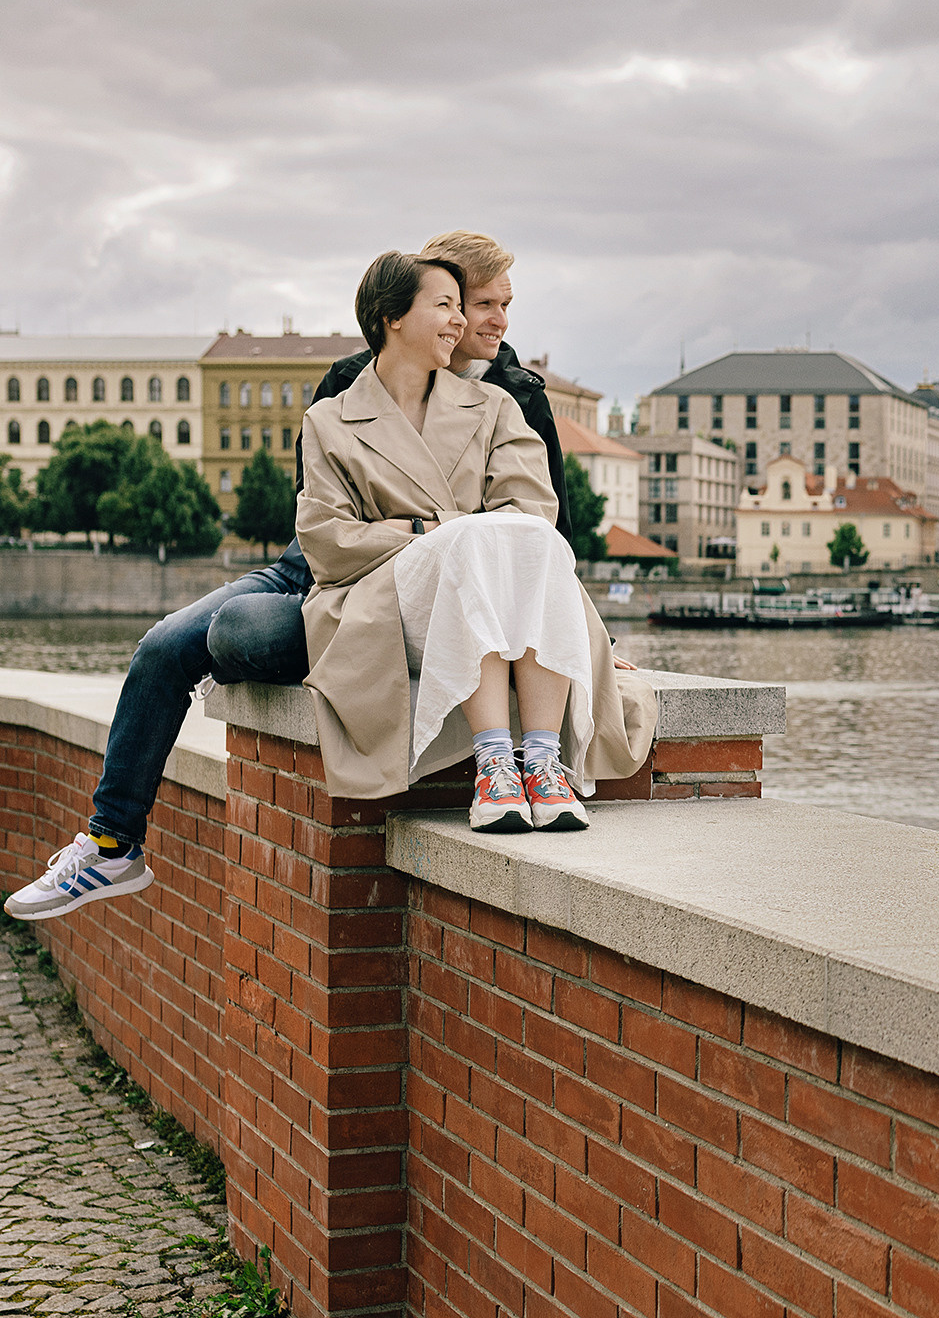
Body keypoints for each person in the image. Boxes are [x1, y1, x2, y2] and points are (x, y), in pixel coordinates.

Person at [5, 232, 576, 921]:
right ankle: (111, 844)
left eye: (498, 305)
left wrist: (574, 629)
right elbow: (321, 514)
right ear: (405, 313)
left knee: (238, 632)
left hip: (418, 591)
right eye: (473, 303)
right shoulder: (347, 380)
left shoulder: (517, 397)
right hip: (313, 568)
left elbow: (542, 538)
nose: (489, 321)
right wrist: (410, 534)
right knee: (164, 645)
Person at [295, 251, 656, 828]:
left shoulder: (495, 407)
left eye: (463, 308)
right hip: (386, 606)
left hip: (494, 595)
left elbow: (533, 515)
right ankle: (494, 763)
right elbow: (326, 539)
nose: (461, 321)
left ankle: (539, 762)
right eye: (445, 306)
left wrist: (413, 527)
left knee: (516, 541)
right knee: (474, 541)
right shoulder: (330, 420)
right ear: (391, 316)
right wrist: (437, 534)